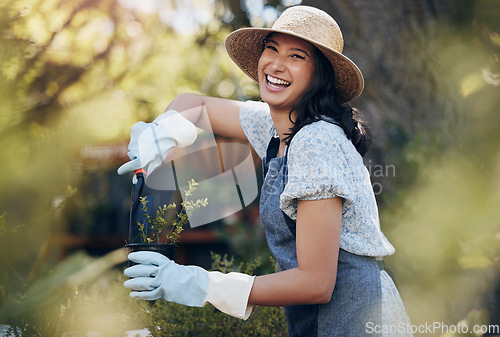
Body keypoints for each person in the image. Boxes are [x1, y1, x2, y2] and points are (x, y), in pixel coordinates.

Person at [119, 5, 412, 337]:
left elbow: (317, 283)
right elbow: (192, 104)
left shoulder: (317, 142)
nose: (276, 64)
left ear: (320, 77)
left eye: (296, 57)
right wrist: (158, 135)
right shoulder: (278, 128)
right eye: (271, 49)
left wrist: (200, 284)